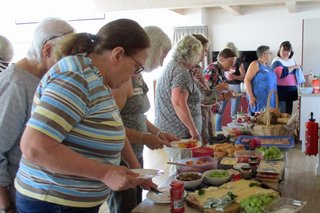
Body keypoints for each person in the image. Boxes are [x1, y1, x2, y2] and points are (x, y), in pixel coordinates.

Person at [14, 18, 156, 213]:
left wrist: (135, 170)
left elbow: (114, 128)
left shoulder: (97, 78)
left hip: (71, 203)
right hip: (54, 202)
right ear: (118, 54)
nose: (134, 75)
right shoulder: (76, 78)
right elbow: (35, 146)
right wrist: (105, 173)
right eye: (136, 67)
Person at [0, 18, 75, 213]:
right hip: (21, 192)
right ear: (47, 50)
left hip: (44, 190)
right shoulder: (16, 83)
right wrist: (5, 203)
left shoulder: (44, 78)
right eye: (65, 56)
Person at [108, 26, 178, 213]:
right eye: (162, 55)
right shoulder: (122, 80)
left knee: (136, 205)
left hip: (135, 154)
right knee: (125, 207)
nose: (162, 63)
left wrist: (158, 132)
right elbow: (112, 125)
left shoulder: (138, 77)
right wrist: (143, 138)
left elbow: (138, 115)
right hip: (121, 157)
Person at [155, 34, 203, 140]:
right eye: (199, 53)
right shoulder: (181, 73)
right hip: (180, 135)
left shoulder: (173, 66)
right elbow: (179, 103)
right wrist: (194, 131)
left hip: (171, 130)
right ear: (192, 54)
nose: (200, 58)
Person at [190, 34, 218, 144]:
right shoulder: (192, 70)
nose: (205, 54)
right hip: (196, 117)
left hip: (203, 115)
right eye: (204, 51)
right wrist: (219, 91)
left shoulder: (197, 68)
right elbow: (205, 97)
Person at [203, 48, 237, 132]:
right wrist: (224, 95)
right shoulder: (212, 70)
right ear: (222, 59)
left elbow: (215, 92)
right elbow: (206, 96)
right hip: (207, 110)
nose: (232, 66)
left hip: (213, 107)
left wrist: (226, 95)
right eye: (230, 62)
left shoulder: (220, 69)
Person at [244, 45, 277, 113]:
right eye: (269, 53)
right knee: (258, 120)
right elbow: (247, 80)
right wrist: (251, 97)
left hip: (269, 99)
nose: (270, 54)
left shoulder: (267, 66)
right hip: (258, 100)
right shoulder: (255, 64)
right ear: (264, 55)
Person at [271, 41, 300, 114]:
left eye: (288, 50)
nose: (286, 52)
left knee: (288, 115)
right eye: (284, 50)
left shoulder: (292, 60)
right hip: (281, 92)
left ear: (290, 52)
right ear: (279, 50)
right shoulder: (276, 61)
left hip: (291, 92)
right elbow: (281, 74)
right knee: (282, 115)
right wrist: (294, 67)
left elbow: (297, 73)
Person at [224, 42, 246, 119]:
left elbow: (243, 77)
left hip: (235, 86)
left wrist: (234, 76)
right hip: (223, 86)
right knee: (219, 112)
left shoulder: (238, 61)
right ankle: (218, 130)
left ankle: (234, 129)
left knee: (233, 113)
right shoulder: (222, 61)